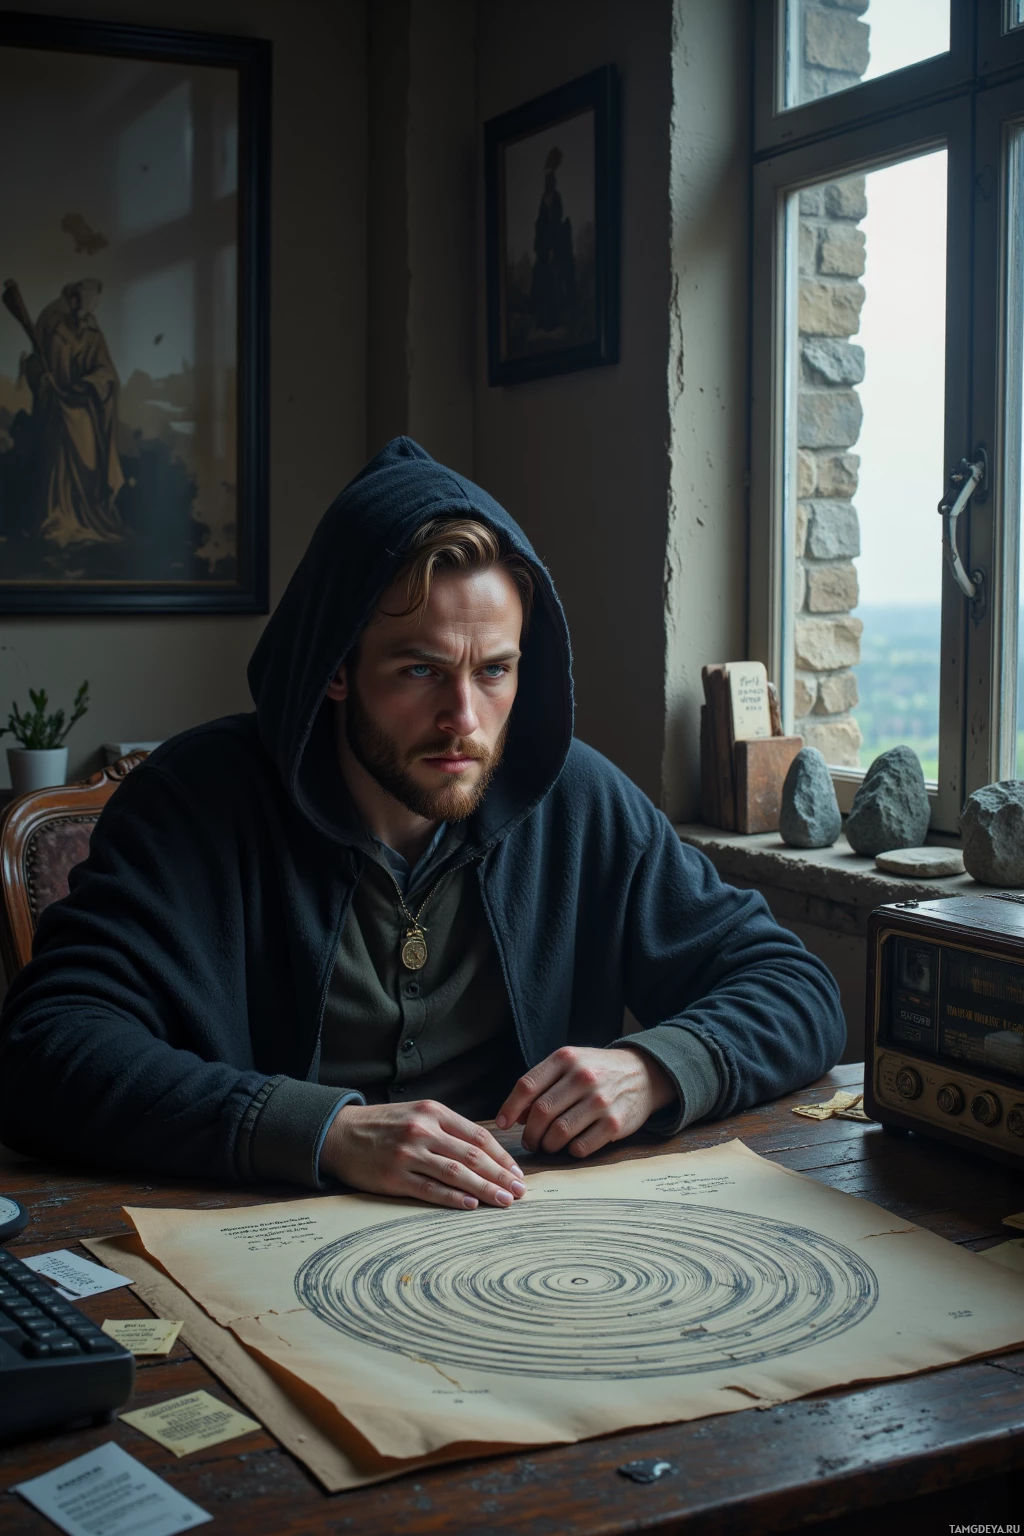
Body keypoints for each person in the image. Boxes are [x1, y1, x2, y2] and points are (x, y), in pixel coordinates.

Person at [0, 438, 845, 1210]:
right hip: (262, 1239)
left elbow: (795, 988)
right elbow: (48, 1049)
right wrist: (324, 1132)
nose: (465, 720)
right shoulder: (194, 802)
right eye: (420, 670)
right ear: (336, 671)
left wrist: (654, 1067)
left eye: (496, 671)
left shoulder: (579, 800)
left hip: (532, 1246)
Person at [23, 278, 124, 547]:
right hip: (57, 409)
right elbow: (35, 362)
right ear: (74, 298)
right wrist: (45, 382)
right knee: (59, 465)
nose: (88, 310)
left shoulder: (92, 330)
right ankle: (59, 519)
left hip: (84, 408)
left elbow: (106, 372)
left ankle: (86, 518)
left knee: (89, 462)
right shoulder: (52, 321)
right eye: (84, 302)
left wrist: (90, 384)